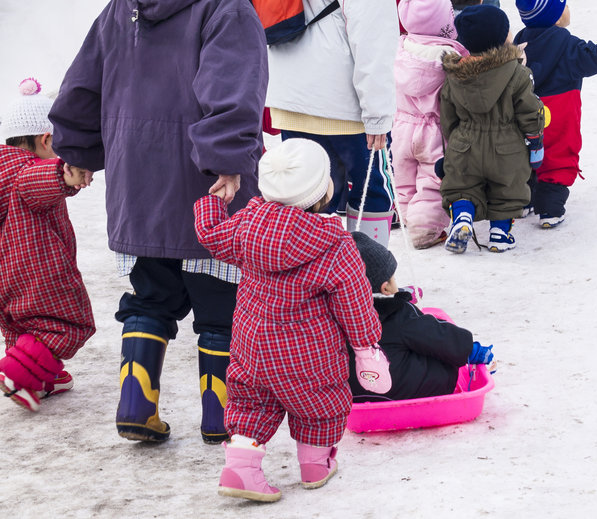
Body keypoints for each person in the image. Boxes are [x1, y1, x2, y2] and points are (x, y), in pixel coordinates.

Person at [48, 0, 268, 444]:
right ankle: (222, 416)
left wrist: (77, 146)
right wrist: (227, 157)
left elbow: (83, 85)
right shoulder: (227, 8)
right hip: (206, 182)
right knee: (223, 304)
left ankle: (136, 404)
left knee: (149, 295)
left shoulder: (122, 7)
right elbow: (232, 85)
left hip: (138, 181)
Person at [193, 138, 391, 502]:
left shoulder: (247, 225)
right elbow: (355, 302)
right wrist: (366, 347)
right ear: (323, 191)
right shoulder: (334, 244)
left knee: (250, 405)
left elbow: (211, 235)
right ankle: (315, 465)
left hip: (252, 349)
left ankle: (241, 470)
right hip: (310, 357)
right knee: (321, 405)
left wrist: (213, 203)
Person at [265, 0, 399, 246]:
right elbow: (373, 42)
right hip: (344, 106)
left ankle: (310, 278)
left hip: (290, 97)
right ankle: (368, 276)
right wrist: (378, 115)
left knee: (306, 196)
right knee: (371, 191)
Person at [0, 78, 95, 412]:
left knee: (23, 332)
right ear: (45, 139)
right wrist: (67, 172)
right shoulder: (26, 172)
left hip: (8, 281)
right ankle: (16, 373)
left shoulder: (2, 168)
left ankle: (41, 379)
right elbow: (37, 182)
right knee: (68, 325)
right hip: (40, 275)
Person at [439, 5, 544, 253]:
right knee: (508, 190)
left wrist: (454, 141)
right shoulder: (517, 73)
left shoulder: (454, 75)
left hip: (464, 144)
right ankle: (499, 233)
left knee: (462, 187)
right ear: (501, 37)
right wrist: (535, 140)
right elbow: (530, 111)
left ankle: (463, 217)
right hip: (507, 148)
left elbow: (447, 115)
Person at [514, 1, 597, 228]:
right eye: (564, 6)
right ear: (556, 17)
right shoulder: (566, 43)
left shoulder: (519, 41)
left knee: (524, 151)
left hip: (525, 113)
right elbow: (594, 59)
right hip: (559, 114)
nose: (568, 9)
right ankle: (550, 209)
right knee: (557, 156)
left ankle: (523, 198)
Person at [348, 231, 495, 401]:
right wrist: (470, 349)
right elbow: (437, 336)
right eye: (393, 279)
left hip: (354, 393)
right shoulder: (398, 314)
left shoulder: (337, 315)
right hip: (405, 391)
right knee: (443, 365)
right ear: (385, 288)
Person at [391, 0, 468, 249]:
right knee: (432, 180)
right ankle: (424, 231)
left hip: (401, 126)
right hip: (434, 129)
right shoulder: (450, 56)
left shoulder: (400, 49)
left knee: (403, 178)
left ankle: (405, 219)